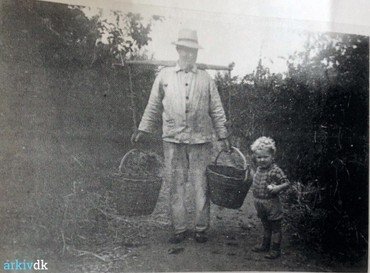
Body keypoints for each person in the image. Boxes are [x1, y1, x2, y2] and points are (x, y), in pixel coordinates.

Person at [131, 29, 230, 244]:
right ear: (178, 50)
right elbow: (153, 106)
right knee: (175, 184)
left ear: (196, 53)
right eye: (185, 51)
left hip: (200, 140)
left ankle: (201, 228)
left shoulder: (205, 78)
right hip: (173, 140)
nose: (189, 55)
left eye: (193, 51)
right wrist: (143, 129)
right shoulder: (164, 76)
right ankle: (179, 228)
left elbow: (217, 109)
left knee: (201, 184)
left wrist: (223, 135)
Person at [249, 136, 290, 259]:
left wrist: (277, 188)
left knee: (275, 227)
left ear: (272, 157)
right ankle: (265, 245)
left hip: (271, 203)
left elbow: (286, 183)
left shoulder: (275, 170)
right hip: (260, 203)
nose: (262, 160)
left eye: (265, 157)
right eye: (259, 157)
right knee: (266, 225)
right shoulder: (259, 169)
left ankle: (275, 249)